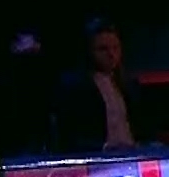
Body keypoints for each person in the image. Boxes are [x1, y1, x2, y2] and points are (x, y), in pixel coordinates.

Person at [52, 18, 141, 152]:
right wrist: (104, 148)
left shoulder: (129, 84)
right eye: (103, 49)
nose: (111, 54)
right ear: (88, 51)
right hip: (97, 158)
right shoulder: (73, 86)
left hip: (132, 156)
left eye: (115, 48)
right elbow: (68, 137)